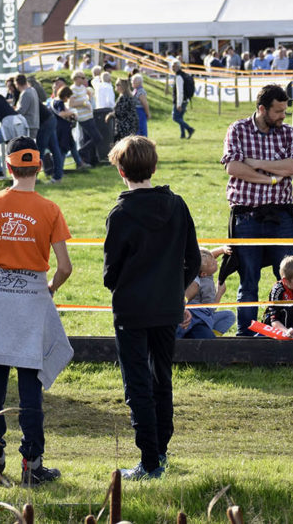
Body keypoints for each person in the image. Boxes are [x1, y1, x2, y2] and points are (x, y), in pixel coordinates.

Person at [0, 136, 73, 486]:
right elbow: (65, 267)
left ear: (9, 167)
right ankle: (33, 464)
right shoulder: (50, 208)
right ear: (39, 167)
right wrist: (50, 288)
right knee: (31, 388)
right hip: (33, 297)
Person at [103, 135, 199, 480]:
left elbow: (110, 272)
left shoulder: (121, 213)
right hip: (167, 305)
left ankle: (150, 460)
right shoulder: (177, 204)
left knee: (138, 383)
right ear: (154, 167)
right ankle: (159, 450)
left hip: (132, 307)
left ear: (120, 170)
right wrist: (176, 290)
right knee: (162, 378)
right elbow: (193, 258)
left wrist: (125, 284)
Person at [220, 84, 293, 336]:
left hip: (282, 215)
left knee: (289, 279)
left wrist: (256, 164)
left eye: (284, 111)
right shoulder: (238, 129)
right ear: (261, 109)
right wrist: (271, 178)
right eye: (278, 111)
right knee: (248, 279)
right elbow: (234, 168)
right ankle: (246, 335)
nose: (282, 116)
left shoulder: (288, 132)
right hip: (247, 216)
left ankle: (289, 330)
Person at [177, 248, 235, 339]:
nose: (215, 261)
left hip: (188, 312)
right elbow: (210, 309)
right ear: (204, 274)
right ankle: (211, 336)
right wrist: (220, 292)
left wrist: (221, 250)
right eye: (212, 263)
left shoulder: (197, 269)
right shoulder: (206, 285)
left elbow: (208, 256)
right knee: (229, 316)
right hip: (198, 317)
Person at [68, 70, 101, 166]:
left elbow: (87, 95)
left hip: (89, 115)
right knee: (97, 137)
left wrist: (89, 96)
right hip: (83, 117)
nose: (85, 79)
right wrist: (83, 103)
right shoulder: (73, 89)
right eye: (82, 78)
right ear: (77, 78)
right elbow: (71, 104)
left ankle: (91, 160)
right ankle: (80, 152)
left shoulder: (83, 88)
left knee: (88, 139)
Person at [171, 62, 194, 138]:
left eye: (173, 66)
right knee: (180, 118)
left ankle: (189, 129)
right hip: (186, 100)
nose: (172, 68)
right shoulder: (184, 75)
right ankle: (182, 134)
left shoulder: (179, 77)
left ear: (177, 67)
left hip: (181, 101)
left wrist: (178, 104)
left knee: (175, 117)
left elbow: (179, 92)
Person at [14, 74, 40, 141]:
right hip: (34, 123)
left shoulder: (25, 93)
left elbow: (21, 111)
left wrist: (12, 111)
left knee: (26, 147)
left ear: (17, 83)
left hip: (28, 125)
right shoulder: (33, 90)